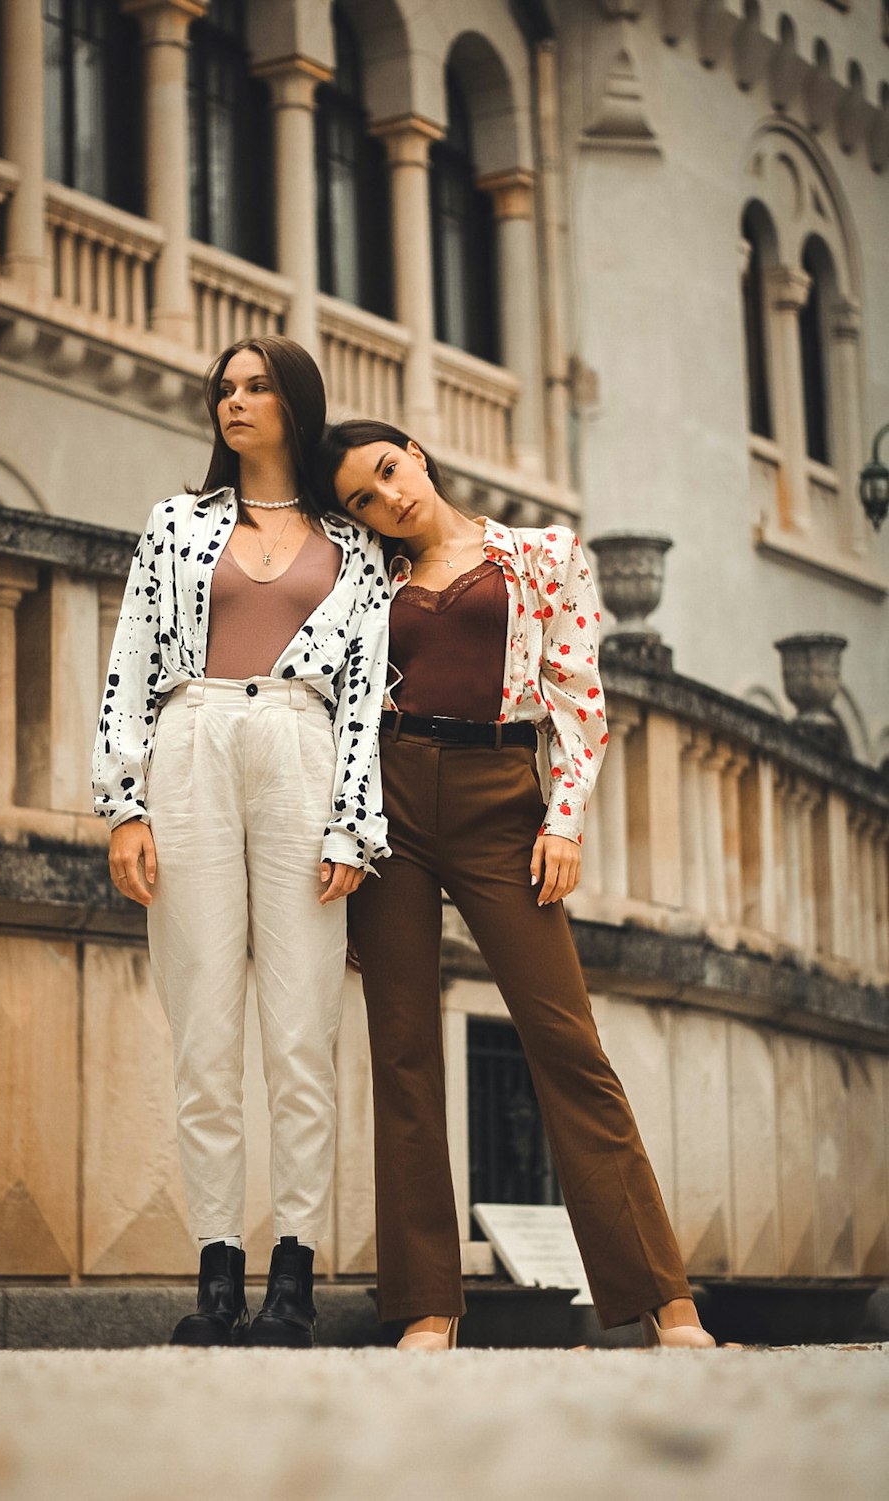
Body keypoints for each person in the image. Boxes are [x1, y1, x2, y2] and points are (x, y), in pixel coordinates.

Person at [317, 418, 717, 1352]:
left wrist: (563, 816)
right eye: (362, 501)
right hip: (392, 801)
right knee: (404, 1048)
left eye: (387, 472)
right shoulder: (365, 582)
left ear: (416, 451)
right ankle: (427, 1307)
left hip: (504, 797)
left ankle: (670, 1302)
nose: (387, 500)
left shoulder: (544, 555)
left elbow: (579, 697)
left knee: (567, 1043)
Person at [93, 340, 390, 1349]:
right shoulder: (176, 526)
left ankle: (292, 1279)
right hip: (192, 744)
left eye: (257, 385)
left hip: (301, 754)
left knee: (302, 1030)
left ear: (296, 403)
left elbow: (362, 703)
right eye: (224, 388)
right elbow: (129, 660)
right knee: (202, 1030)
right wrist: (122, 803)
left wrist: (355, 819)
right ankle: (218, 1271)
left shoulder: (354, 547)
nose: (235, 401)